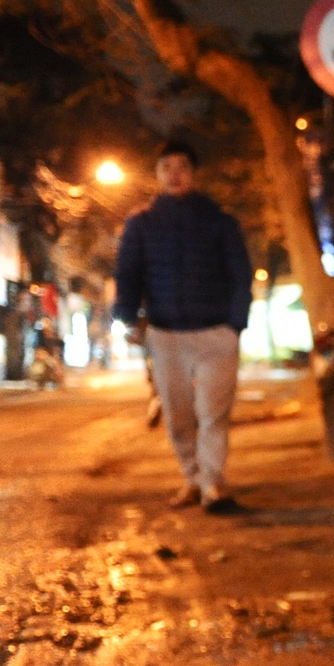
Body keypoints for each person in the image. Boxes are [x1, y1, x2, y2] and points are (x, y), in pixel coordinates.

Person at [114, 140, 253, 512]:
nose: (175, 174)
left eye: (182, 167)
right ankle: (192, 478)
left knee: (213, 412)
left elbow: (241, 274)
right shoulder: (140, 224)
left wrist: (235, 324)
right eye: (167, 167)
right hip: (166, 334)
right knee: (178, 415)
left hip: (215, 333)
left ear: (193, 174)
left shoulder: (220, 222)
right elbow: (128, 273)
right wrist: (127, 317)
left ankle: (213, 484)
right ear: (157, 174)